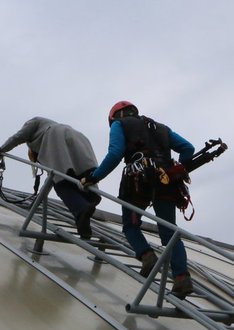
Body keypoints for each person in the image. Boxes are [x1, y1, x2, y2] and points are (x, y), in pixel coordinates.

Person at [81, 101, 196, 298]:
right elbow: (188, 148)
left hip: (137, 183)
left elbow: (116, 153)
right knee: (169, 232)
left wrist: (94, 177)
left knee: (130, 226)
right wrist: (176, 169)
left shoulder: (120, 125)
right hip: (166, 181)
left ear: (116, 116)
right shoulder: (160, 128)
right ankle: (181, 278)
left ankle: (146, 255)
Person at [0, 117, 101, 239]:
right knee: (83, 178)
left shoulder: (36, 125)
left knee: (62, 185)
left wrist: (1, 149)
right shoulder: (56, 130)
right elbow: (50, 180)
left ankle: (82, 209)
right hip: (79, 139)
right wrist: (37, 201)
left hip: (57, 136)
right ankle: (84, 220)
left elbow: (19, 136)